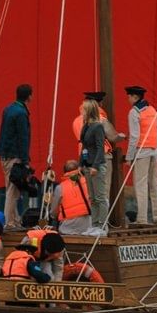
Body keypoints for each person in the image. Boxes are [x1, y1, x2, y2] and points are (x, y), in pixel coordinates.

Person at [126, 84, 157, 227]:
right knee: (155, 184)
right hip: (154, 151)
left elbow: (134, 137)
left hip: (141, 152)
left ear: (135, 97)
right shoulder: (152, 110)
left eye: (129, 96)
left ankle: (142, 218)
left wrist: (129, 157)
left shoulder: (134, 112)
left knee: (140, 185)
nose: (128, 99)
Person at [0, 83, 33, 224]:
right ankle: (9, 222)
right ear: (29, 96)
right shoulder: (21, 113)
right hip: (14, 156)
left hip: (4, 154)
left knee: (11, 188)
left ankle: (15, 219)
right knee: (13, 191)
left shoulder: (8, 109)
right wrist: (25, 161)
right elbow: (23, 138)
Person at [76, 98, 115, 229]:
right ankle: (94, 225)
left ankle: (102, 225)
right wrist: (81, 164)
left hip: (96, 166)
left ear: (89, 111)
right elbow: (84, 146)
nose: (81, 111)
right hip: (87, 164)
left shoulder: (98, 126)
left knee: (100, 197)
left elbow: (100, 147)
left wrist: (95, 166)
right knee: (92, 198)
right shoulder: (85, 126)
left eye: (84, 109)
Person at [55, 158, 96, 234]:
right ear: (78, 169)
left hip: (66, 228)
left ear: (64, 171)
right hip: (87, 227)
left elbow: (53, 212)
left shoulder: (60, 188)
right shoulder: (88, 182)